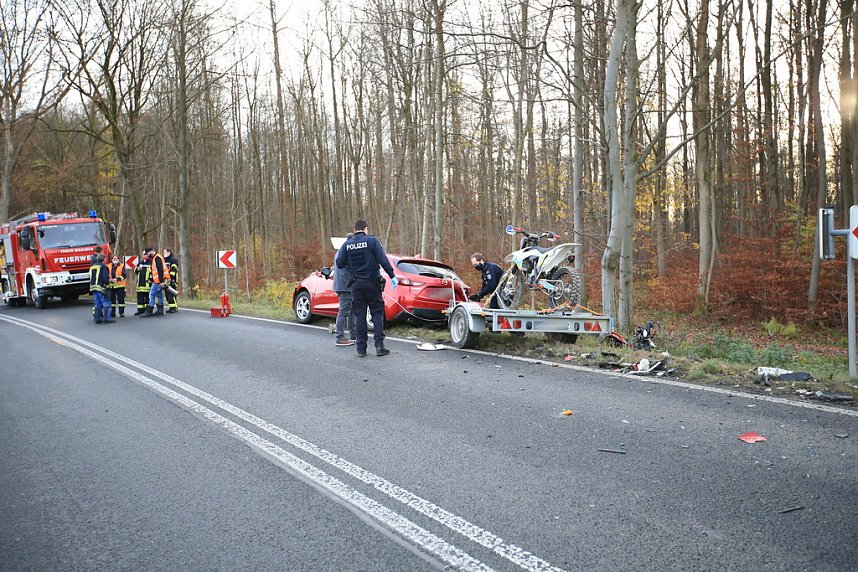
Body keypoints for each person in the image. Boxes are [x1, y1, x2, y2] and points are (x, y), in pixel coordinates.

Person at [336, 219, 398, 357]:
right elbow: (383, 259)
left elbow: (339, 263)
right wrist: (392, 276)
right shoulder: (372, 241)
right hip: (372, 283)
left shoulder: (347, 244)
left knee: (359, 316)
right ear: (366, 228)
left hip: (356, 285)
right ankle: (379, 347)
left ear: (354, 230)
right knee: (376, 313)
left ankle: (361, 349)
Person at [331, 233, 356, 346]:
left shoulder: (339, 252)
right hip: (345, 286)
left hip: (341, 285)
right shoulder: (347, 252)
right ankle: (340, 337)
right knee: (344, 311)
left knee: (351, 311)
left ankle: (353, 334)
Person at [140, 246, 170, 317]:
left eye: (148, 253)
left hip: (158, 281)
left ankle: (149, 310)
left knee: (152, 294)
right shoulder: (156, 257)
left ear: (151, 251)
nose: (147, 255)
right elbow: (155, 271)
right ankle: (160, 310)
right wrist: (152, 279)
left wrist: (161, 281)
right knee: (159, 294)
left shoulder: (157, 258)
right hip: (157, 280)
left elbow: (160, 270)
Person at [89, 253, 113, 324]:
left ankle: (97, 318)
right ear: (104, 259)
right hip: (101, 287)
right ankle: (107, 318)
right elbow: (105, 278)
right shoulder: (103, 266)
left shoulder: (93, 266)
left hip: (93, 287)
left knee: (97, 304)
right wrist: (108, 282)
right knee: (106, 303)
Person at [133, 249, 152, 315]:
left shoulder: (151, 262)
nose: (143, 256)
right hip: (140, 284)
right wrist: (137, 269)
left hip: (147, 284)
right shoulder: (140, 262)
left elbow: (154, 272)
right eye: (143, 254)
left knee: (147, 298)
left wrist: (151, 279)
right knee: (140, 298)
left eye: (145, 254)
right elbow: (135, 271)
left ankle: (148, 310)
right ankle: (140, 310)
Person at [163, 247, 179, 313]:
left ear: (169, 252)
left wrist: (171, 278)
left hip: (172, 279)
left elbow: (174, 269)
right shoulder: (163, 260)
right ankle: (171, 307)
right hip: (165, 279)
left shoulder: (173, 260)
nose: (164, 253)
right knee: (167, 294)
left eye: (165, 252)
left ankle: (174, 308)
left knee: (171, 293)